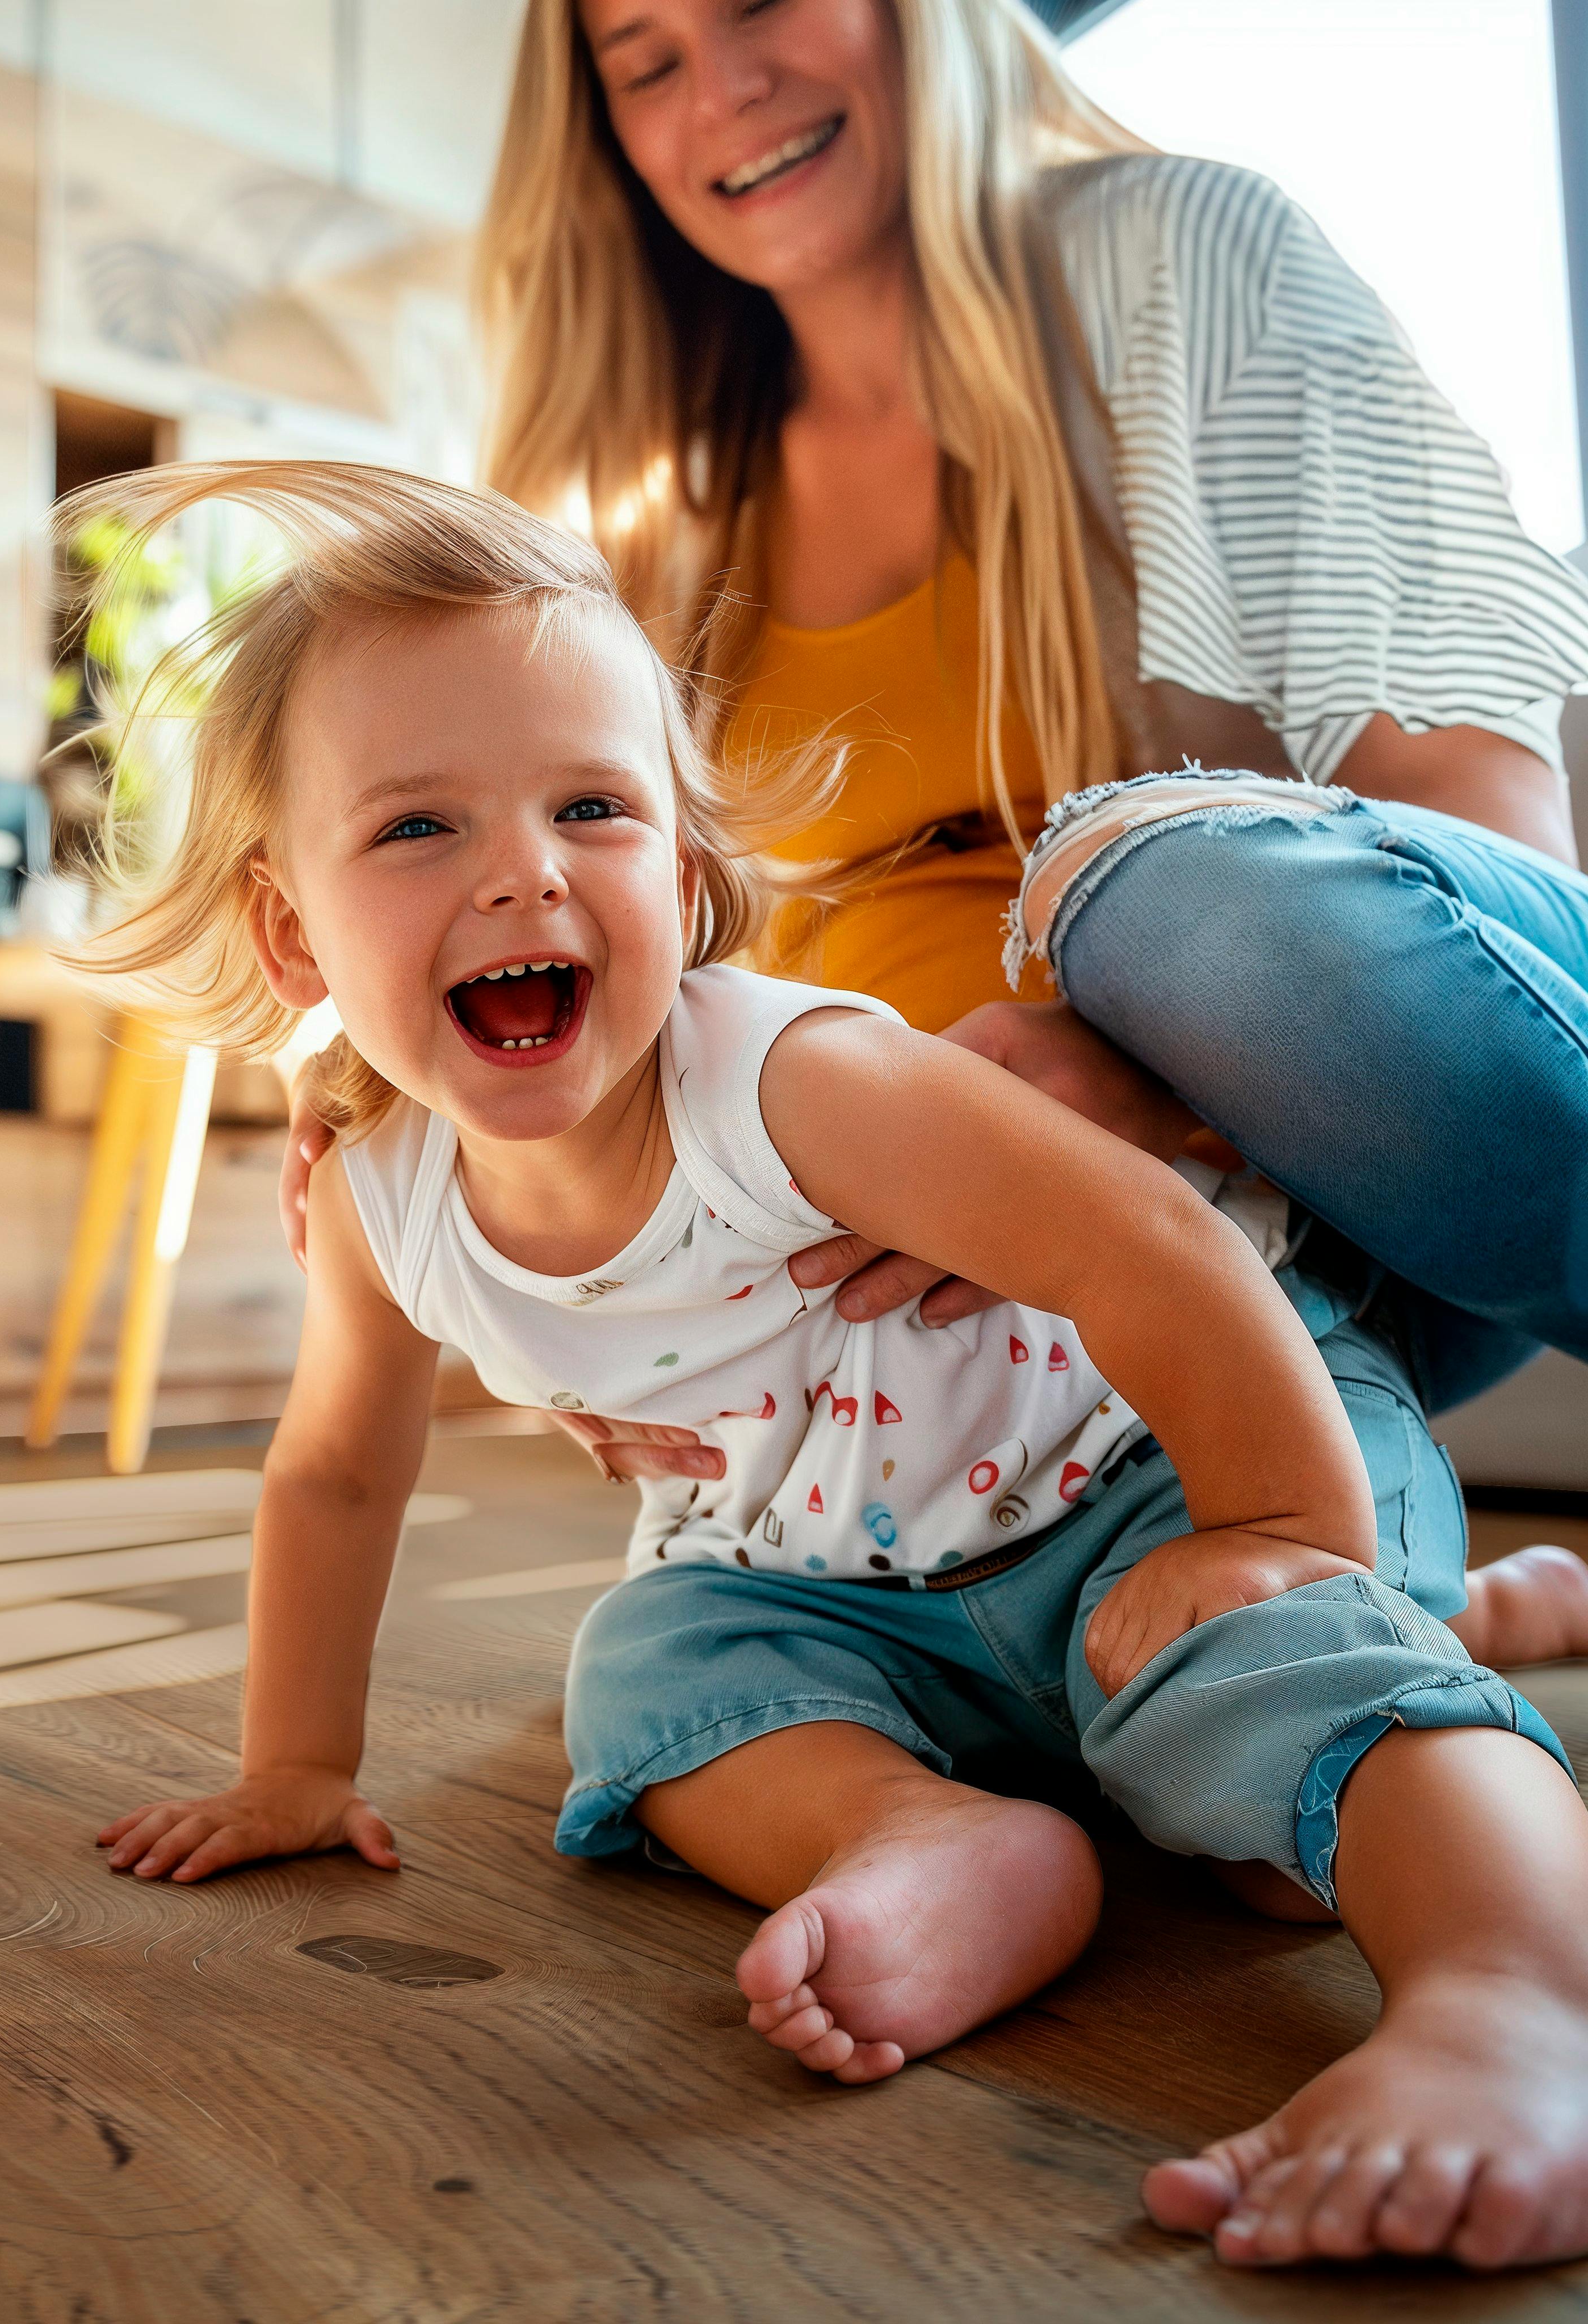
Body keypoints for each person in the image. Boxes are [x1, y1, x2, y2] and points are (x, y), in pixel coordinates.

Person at [78, 460, 1588, 2274]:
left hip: (1155, 1465)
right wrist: (297, 1766)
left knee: (1267, 1783)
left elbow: (1158, 1245)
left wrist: (1275, 1524)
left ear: (688, 871)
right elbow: (336, 1469)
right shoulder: (382, 1192)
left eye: (592, 806)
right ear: (290, 930)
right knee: (645, 1663)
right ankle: (942, 1838)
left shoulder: (788, 1082)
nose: (525, 871)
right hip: (845, 1572)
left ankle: (1526, 1988)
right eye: (418, 829)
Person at [278, 0, 1588, 1668]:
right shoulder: (656, 508)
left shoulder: (1181, 259)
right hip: (950, 1314)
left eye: (762, 1)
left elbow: (1488, 844)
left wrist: (1183, 1080)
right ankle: (1431, 1597)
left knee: (1171, 903)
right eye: (644, 57)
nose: (725, 85)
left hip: (1310, 1186)